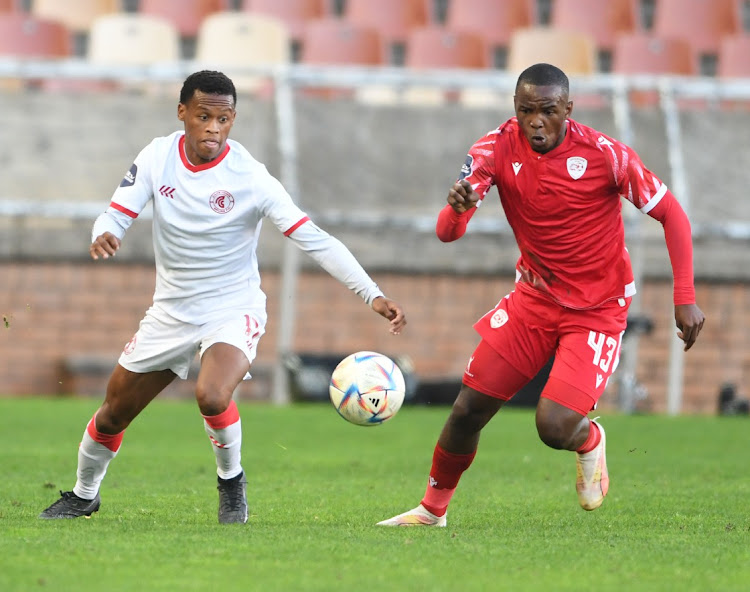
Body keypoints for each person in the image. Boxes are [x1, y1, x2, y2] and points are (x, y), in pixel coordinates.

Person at [39, 70, 406, 524]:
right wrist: (106, 235)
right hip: (171, 310)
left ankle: (231, 484)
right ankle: (83, 495)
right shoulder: (157, 157)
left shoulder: (250, 177)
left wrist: (372, 293)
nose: (214, 127)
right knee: (114, 412)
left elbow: (314, 239)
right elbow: (117, 212)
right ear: (183, 114)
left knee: (211, 395)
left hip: (233, 307)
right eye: (204, 116)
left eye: (224, 118)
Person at [377, 63, 704, 527]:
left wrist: (684, 295)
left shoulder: (605, 155)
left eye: (547, 111)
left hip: (597, 308)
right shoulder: (493, 147)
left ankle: (588, 440)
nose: (535, 121)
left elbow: (673, 214)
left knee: (553, 427)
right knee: (468, 409)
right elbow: (447, 232)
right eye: (526, 110)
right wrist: (458, 211)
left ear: (567, 109)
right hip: (534, 298)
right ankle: (432, 511)